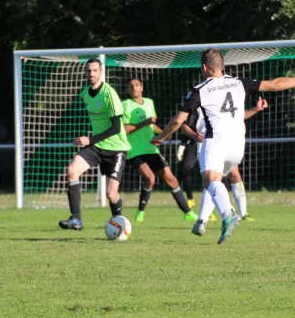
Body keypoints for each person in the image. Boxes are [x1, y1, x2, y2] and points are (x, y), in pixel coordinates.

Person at [152, 48, 295, 244]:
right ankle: (203, 221)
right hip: (237, 146)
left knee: (210, 180)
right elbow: (275, 84)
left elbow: (177, 121)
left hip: (215, 142)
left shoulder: (199, 90)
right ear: (222, 66)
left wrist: (162, 137)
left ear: (204, 68)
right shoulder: (240, 83)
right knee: (213, 181)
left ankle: (228, 215)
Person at [58, 59, 132, 231]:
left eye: (95, 70)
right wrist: (90, 141)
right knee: (72, 170)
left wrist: (89, 140)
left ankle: (119, 223)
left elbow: (115, 128)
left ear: (101, 72)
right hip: (98, 146)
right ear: (85, 72)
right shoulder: (85, 94)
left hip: (116, 148)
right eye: (89, 71)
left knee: (111, 194)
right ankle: (76, 219)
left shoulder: (109, 94)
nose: (91, 74)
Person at [121, 77, 198, 222]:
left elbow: (152, 126)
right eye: (130, 85)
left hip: (151, 149)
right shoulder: (125, 105)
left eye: (136, 85)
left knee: (171, 178)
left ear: (141, 87)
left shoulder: (149, 103)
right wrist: (145, 122)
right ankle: (140, 211)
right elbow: (124, 129)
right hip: (135, 151)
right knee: (150, 178)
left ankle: (188, 213)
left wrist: (164, 134)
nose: (133, 88)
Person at [181, 97, 268, 222]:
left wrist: (256, 109)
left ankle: (241, 213)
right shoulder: (198, 99)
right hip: (207, 146)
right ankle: (210, 215)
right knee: (211, 180)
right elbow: (184, 125)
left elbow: (238, 116)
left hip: (226, 143)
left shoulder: (223, 98)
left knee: (233, 174)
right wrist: (195, 135)